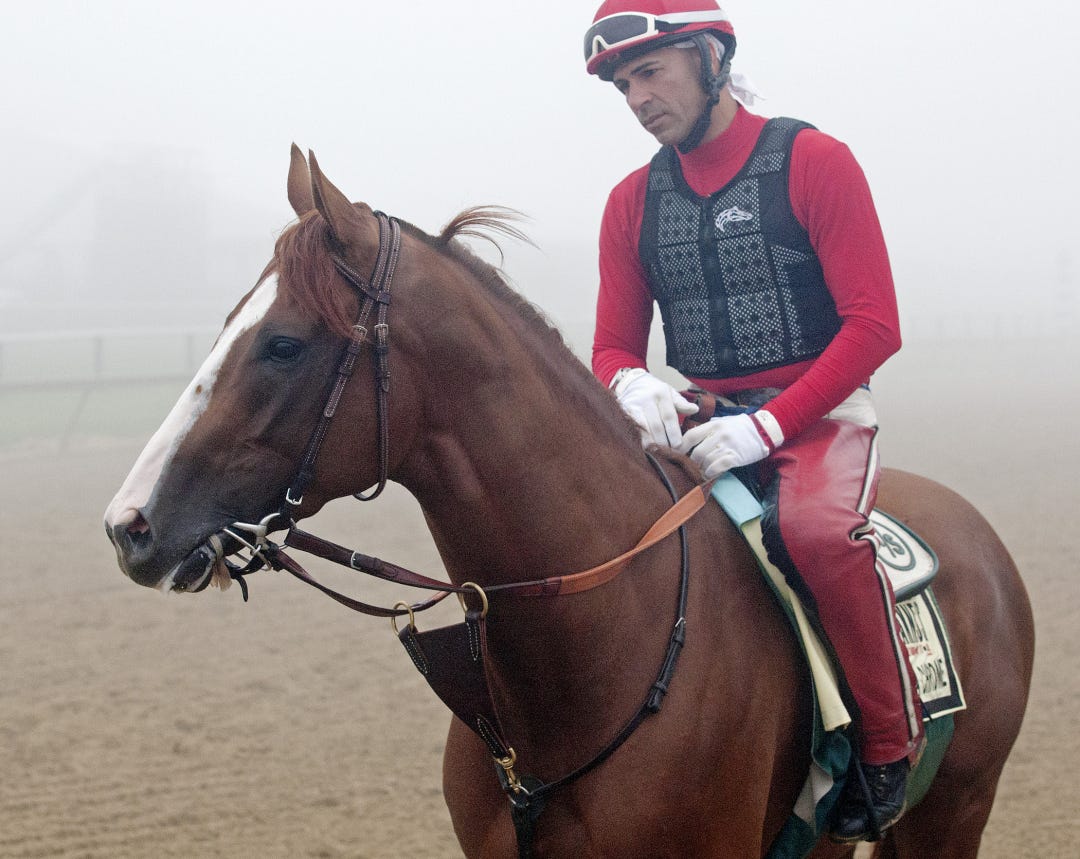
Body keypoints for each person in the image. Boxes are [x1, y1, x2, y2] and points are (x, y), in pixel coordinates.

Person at [583, 0, 923, 843]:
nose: (637, 99)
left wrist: (769, 427)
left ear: (712, 59)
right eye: (623, 87)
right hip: (701, 419)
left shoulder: (815, 161)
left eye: (650, 73)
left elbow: (875, 325)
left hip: (820, 413)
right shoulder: (630, 202)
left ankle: (887, 746)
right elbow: (611, 346)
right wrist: (629, 382)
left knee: (815, 533)